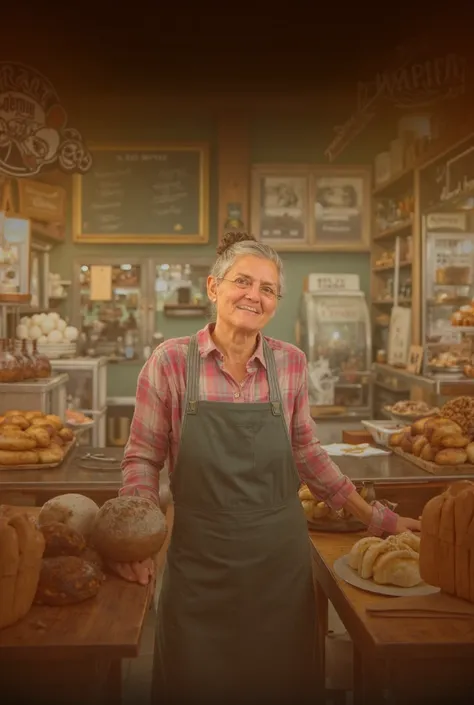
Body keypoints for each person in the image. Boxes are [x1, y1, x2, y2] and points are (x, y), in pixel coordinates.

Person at [116, 231, 421, 704]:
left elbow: (310, 457)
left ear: (277, 301)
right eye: (243, 281)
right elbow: (142, 459)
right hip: (199, 564)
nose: (254, 296)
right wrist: (135, 538)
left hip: (277, 568)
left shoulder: (290, 364)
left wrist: (379, 519)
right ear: (214, 286)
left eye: (268, 289)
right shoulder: (171, 362)